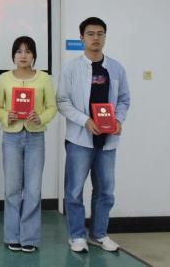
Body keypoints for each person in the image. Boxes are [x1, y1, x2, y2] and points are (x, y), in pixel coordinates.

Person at [57, 17, 130, 253]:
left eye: (100, 33)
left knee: (105, 191)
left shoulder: (116, 68)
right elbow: (62, 101)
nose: (96, 38)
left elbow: (124, 99)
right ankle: (77, 235)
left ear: (105, 37)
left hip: (108, 141)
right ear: (82, 38)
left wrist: (118, 119)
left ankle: (99, 234)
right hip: (80, 139)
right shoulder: (71, 68)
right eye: (90, 34)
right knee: (74, 191)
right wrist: (85, 121)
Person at [0, 36, 57, 253]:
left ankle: (29, 237)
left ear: (34, 55)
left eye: (28, 51)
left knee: (33, 189)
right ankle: (12, 236)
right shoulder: (4, 78)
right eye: (19, 51)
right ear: (13, 55)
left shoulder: (44, 78)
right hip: (11, 136)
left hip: (35, 137)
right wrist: (5, 116)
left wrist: (41, 118)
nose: (23, 55)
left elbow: (52, 107)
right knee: (12, 188)